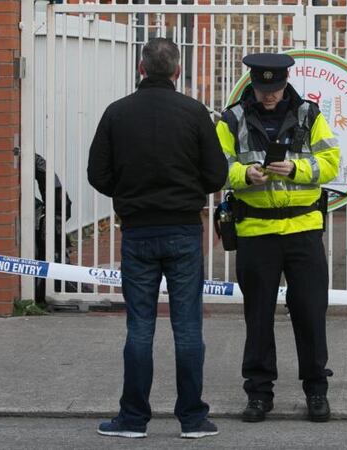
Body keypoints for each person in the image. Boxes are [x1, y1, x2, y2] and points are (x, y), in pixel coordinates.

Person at [87, 38, 228, 439]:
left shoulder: (117, 113)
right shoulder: (194, 113)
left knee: (139, 328)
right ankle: (193, 419)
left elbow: (97, 173)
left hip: (138, 231)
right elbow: (216, 174)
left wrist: (127, 192)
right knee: (187, 329)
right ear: (178, 71)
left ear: (141, 68)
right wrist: (188, 189)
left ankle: (132, 419)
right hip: (183, 229)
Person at [216, 53, 340, 423]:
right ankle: (258, 394)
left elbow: (332, 162)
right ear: (252, 83)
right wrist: (243, 175)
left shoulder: (309, 115)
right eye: (262, 88)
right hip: (256, 230)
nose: (269, 96)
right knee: (257, 317)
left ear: (286, 82)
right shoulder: (232, 118)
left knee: (311, 313)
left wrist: (297, 168)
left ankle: (317, 391)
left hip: (302, 230)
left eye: (275, 88)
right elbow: (215, 167)